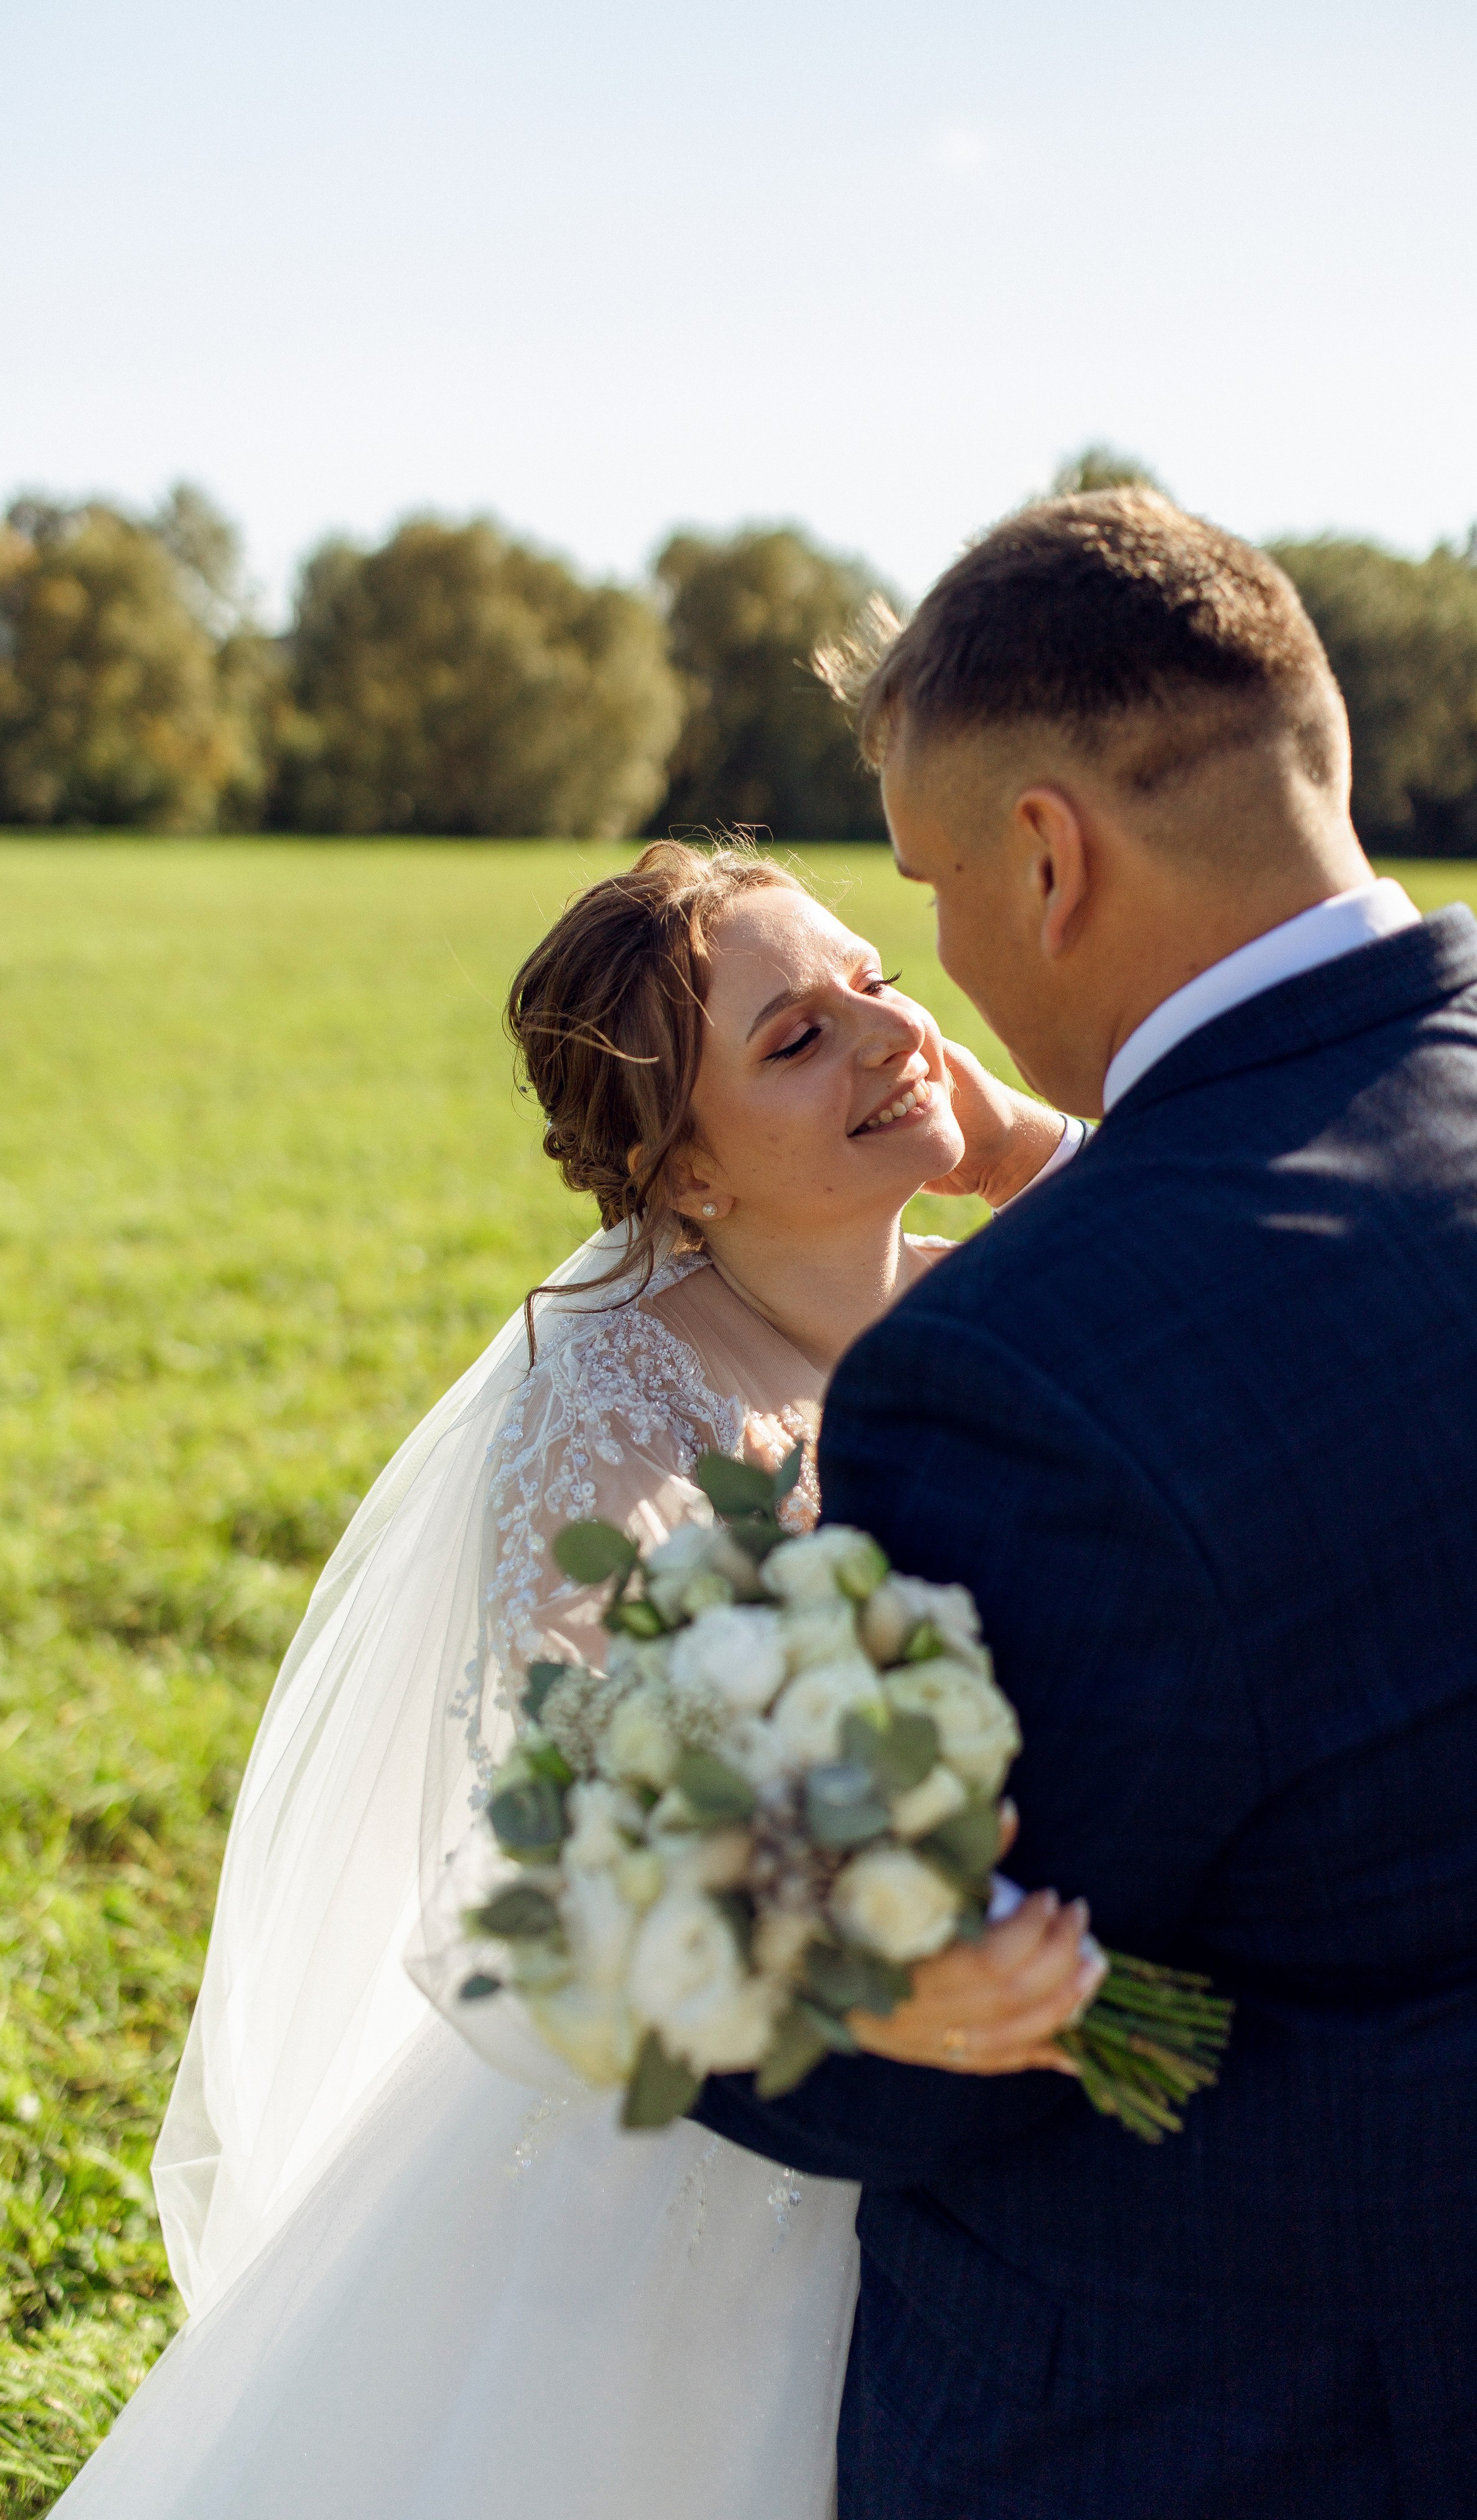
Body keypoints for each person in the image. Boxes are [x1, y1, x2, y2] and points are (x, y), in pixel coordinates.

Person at [50, 842, 1096, 2520]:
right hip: (720, 2086)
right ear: (680, 1177)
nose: (883, 1034)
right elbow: (583, 1784)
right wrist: (868, 1955)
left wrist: (1031, 1147)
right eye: (791, 1040)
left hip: (1011, 2046)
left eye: (874, 983)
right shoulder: (609, 1390)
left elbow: (1225, 1261)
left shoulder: (999, 1291)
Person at [693, 490, 1477, 2517]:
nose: (933, 968)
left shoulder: (1020, 1371)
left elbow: (910, 2045)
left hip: (1243, 2418)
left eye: (931, 885)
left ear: (1047, 857)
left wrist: (715, 1917)